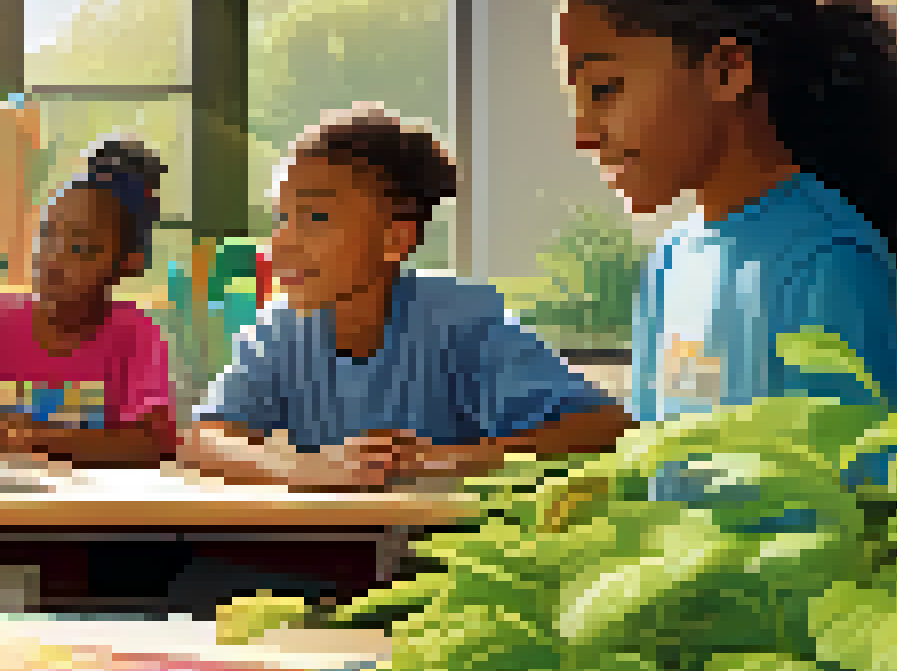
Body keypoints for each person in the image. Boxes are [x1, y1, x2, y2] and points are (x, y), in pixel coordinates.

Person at [560, 0, 897, 477]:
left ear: (728, 71)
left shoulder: (828, 263)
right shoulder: (669, 263)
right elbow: (655, 465)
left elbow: (859, 497)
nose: (584, 134)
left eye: (605, 88)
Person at [181, 105, 633, 489]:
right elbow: (204, 441)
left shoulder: (459, 320)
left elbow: (604, 428)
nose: (280, 244)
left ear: (395, 240)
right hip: (339, 544)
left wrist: (436, 460)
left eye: (315, 217)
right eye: (281, 218)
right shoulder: (279, 331)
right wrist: (311, 468)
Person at [0, 138, 176, 467]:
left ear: (129, 262)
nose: (53, 257)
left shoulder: (136, 334)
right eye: (47, 234)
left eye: (80, 247)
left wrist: (35, 436)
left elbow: (152, 443)